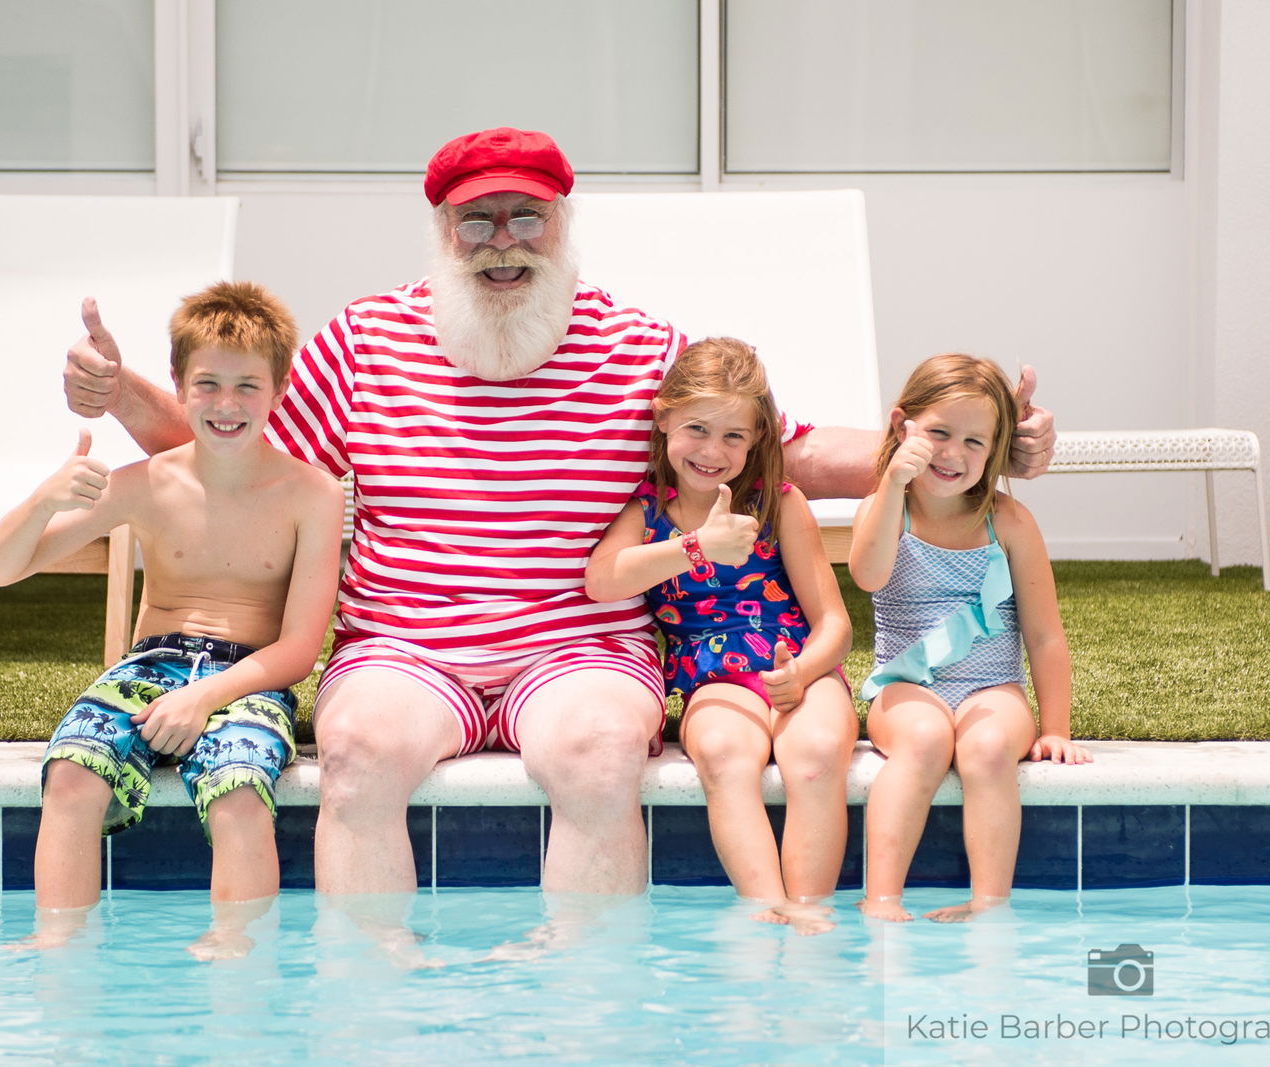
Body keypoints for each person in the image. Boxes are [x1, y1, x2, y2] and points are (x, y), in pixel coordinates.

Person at [60, 127, 1057, 899]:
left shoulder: (637, 348)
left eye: (524, 217)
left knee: (598, 753)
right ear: (442, 232)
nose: (502, 243)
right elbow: (236, 453)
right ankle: (377, 1011)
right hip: (407, 647)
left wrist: (951, 452)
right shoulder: (366, 338)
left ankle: (579, 1014)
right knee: (357, 755)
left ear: (563, 223)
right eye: (477, 220)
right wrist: (125, 397)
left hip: (580, 649)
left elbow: (780, 448)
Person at [0, 281, 344, 954]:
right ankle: (59, 940)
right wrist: (43, 499)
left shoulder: (312, 495)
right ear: (177, 384)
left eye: (247, 387)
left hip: (247, 678)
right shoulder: (144, 483)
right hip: (148, 665)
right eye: (207, 384)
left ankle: (236, 942)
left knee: (238, 786)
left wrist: (202, 697)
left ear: (280, 388)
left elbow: (298, 649)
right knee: (72, 770)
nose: (226, 405)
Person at [586, 338, 856, 933]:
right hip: (713, 675)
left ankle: (810, 917)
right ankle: (765, 912)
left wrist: (803, 673)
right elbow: (601, 579)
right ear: (662, 417)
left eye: (735, 435)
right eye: (698, 429)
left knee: (813, 760)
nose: (713, 451)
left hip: (797, 666)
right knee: (724, 756)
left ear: (759, 437)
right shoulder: (648, 510)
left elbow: (836, 623)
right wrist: (695, 548)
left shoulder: (780, 504)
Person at [847, 353, 1090, 924]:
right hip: (906, 686)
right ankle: (881, 899)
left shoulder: (1008, 521)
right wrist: (891, 484)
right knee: (926, 739)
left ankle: (988, 904)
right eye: (938, 433)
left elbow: (1044, 634)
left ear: (999, 449)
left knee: (983, 749)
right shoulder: (884, 511)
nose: (954, 453)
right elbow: (868, 575)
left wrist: (1055, 728)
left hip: (992, 686)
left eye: (975, 442)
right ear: (901, 426)